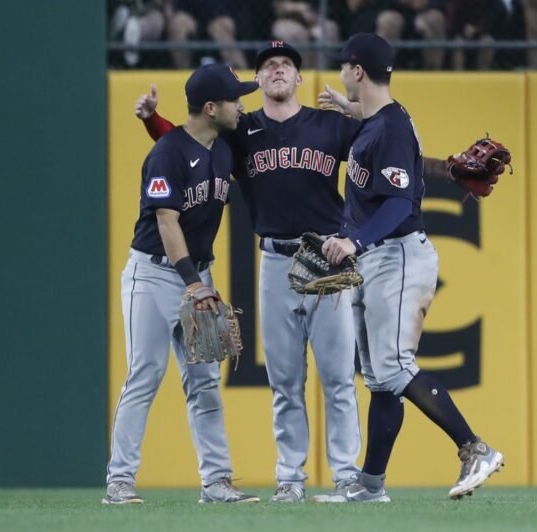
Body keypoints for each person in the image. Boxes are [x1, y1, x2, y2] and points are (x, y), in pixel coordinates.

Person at [136, 42, 364, 503]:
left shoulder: (330, 124)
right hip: (276, 261)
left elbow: (390, 145)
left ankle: (346, 475)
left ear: (300, 78)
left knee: (339, 378)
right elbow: (186, 145)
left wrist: (355, 108)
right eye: (268, 66)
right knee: (284, 381)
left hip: (326, 261)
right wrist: (151, 121)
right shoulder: (242, 129)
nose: (278, 69)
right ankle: (290, 479)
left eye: (287, 65)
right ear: (257, 81)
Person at [318, 33, 504, 502]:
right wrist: (348, 107)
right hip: (379, 257)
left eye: (345, 67)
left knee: (396, 368)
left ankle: (475, 448)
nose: (341, 73)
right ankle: (371, 486)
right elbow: (395, 147)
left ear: (358, 71)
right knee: (381, 379)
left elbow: (400, 203)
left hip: (396, 255)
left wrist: (353, 239)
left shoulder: (392, 128)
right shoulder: (383, 119)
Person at [103, 64, 260, 505]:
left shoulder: (222, 143)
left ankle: (216, 483)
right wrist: (195, 284)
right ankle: (119, 482)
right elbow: (167, 223)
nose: (241, 104)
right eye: (234, 99)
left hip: (197, 274)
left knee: (205, 382)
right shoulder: (165, 155)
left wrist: (154, 119)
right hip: (153, 275)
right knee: (145, 375)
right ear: (211, 108)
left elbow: (187, 138)